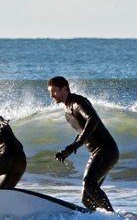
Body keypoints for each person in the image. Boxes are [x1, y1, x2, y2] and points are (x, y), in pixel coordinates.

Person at [47, 76, 118, 212]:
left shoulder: (77, 102)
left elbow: (92, 118)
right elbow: (82, 130)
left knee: (89, 183)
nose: (51, 95)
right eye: (50, 92)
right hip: (98, 152)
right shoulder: (67, 111)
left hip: (106, 150)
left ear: (65, 89)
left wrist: (78, 143)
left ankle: (112, 217)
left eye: (54, 91)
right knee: (86, 198)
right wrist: (69, 149)